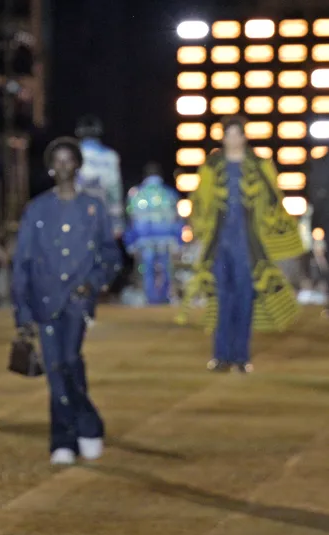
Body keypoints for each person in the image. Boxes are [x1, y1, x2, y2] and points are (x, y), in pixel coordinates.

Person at [12, 137, 121, 466]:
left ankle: (79, 430)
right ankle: (71, 435)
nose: (62, 167)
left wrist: (93, 284)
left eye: (68, 160)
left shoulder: (93, 208)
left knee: (68, 360)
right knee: (56, 367)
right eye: (56, 161)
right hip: (43, 299)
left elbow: (110, 254)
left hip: (76, 300)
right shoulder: (37, 209)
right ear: (49, 167)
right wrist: (22, 313)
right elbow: (23, 263)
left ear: (77, 165)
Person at [187, 117, 303, 372]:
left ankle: (241, 357)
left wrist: (280, 239)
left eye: (237, 134)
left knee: (245, 298)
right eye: (228, 134)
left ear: (244, 137)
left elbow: (275, 201)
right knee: (222, 298)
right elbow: (200, 202)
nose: (233, 139)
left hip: (250, 245)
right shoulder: (212, 165)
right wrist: (200, 231)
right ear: (222, 138)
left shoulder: (260, 165)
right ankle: (221, 356)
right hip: (220, 244)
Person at [124, 163, 184, 305]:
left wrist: (130, 243)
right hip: (166, 238)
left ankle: (150, 298)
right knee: (165, 268)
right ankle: (164, 297)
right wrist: (179, 241)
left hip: (144, 239)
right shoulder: (169, 193)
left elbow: (130, 220)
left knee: (147, 268)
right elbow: (178, 219)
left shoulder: (137, 194)